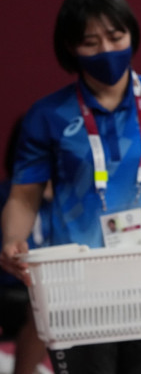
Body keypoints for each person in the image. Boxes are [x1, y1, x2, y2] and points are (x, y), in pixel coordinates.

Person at [0, 0, 141, 374]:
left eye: (116, 36)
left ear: (132, 34)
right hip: (76, 288)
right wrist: (12, 238)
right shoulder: (47, 116)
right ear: (70, 48)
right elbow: (24, 195)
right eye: (91, 42)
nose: (106, 49)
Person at [0, 117, 51, 374]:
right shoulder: (6, 197)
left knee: (47, 304)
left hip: (46, 289)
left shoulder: (67, 204)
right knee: (41, 306)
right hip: (8, 287)